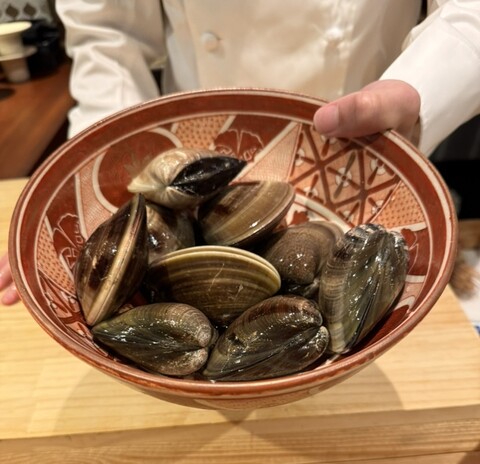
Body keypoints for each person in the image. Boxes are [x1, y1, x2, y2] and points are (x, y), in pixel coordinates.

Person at [1, 0, 479, 305]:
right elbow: (108, 32)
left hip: (360, 160)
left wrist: (423, 83)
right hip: (193, 142)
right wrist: (98, 177)